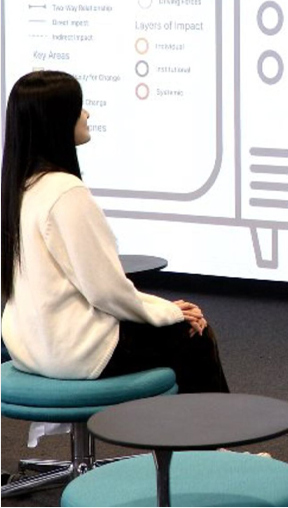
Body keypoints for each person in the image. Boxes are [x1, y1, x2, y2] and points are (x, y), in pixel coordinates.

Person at [1, 70, 227, 393]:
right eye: (79, 108)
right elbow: (107, 291)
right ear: (58, 121)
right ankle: (212, 444)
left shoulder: (20, 188)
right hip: (73, 352)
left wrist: (160, 308)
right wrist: (170, 311)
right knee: (196, 336)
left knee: (176, 325)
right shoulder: (65, 192)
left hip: (30, 348)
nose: (87, 114)